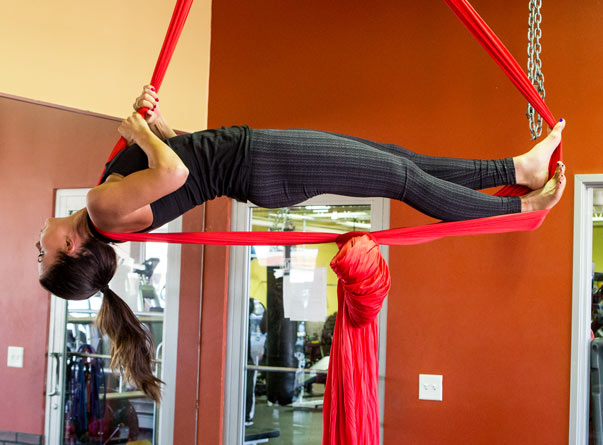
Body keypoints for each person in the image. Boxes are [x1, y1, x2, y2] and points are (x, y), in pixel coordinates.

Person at [37, 85, 566, 401]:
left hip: (254, 158)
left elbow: (181, 156)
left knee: (398, 160)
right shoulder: (102, 211)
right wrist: (140, 133)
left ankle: (519, 168)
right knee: (401, 179)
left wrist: (152, 122)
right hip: (264, 164)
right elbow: (173, 172)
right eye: (43, 255)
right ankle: (519, 207)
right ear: (71, 248)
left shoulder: (103, 210)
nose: (38, 245)